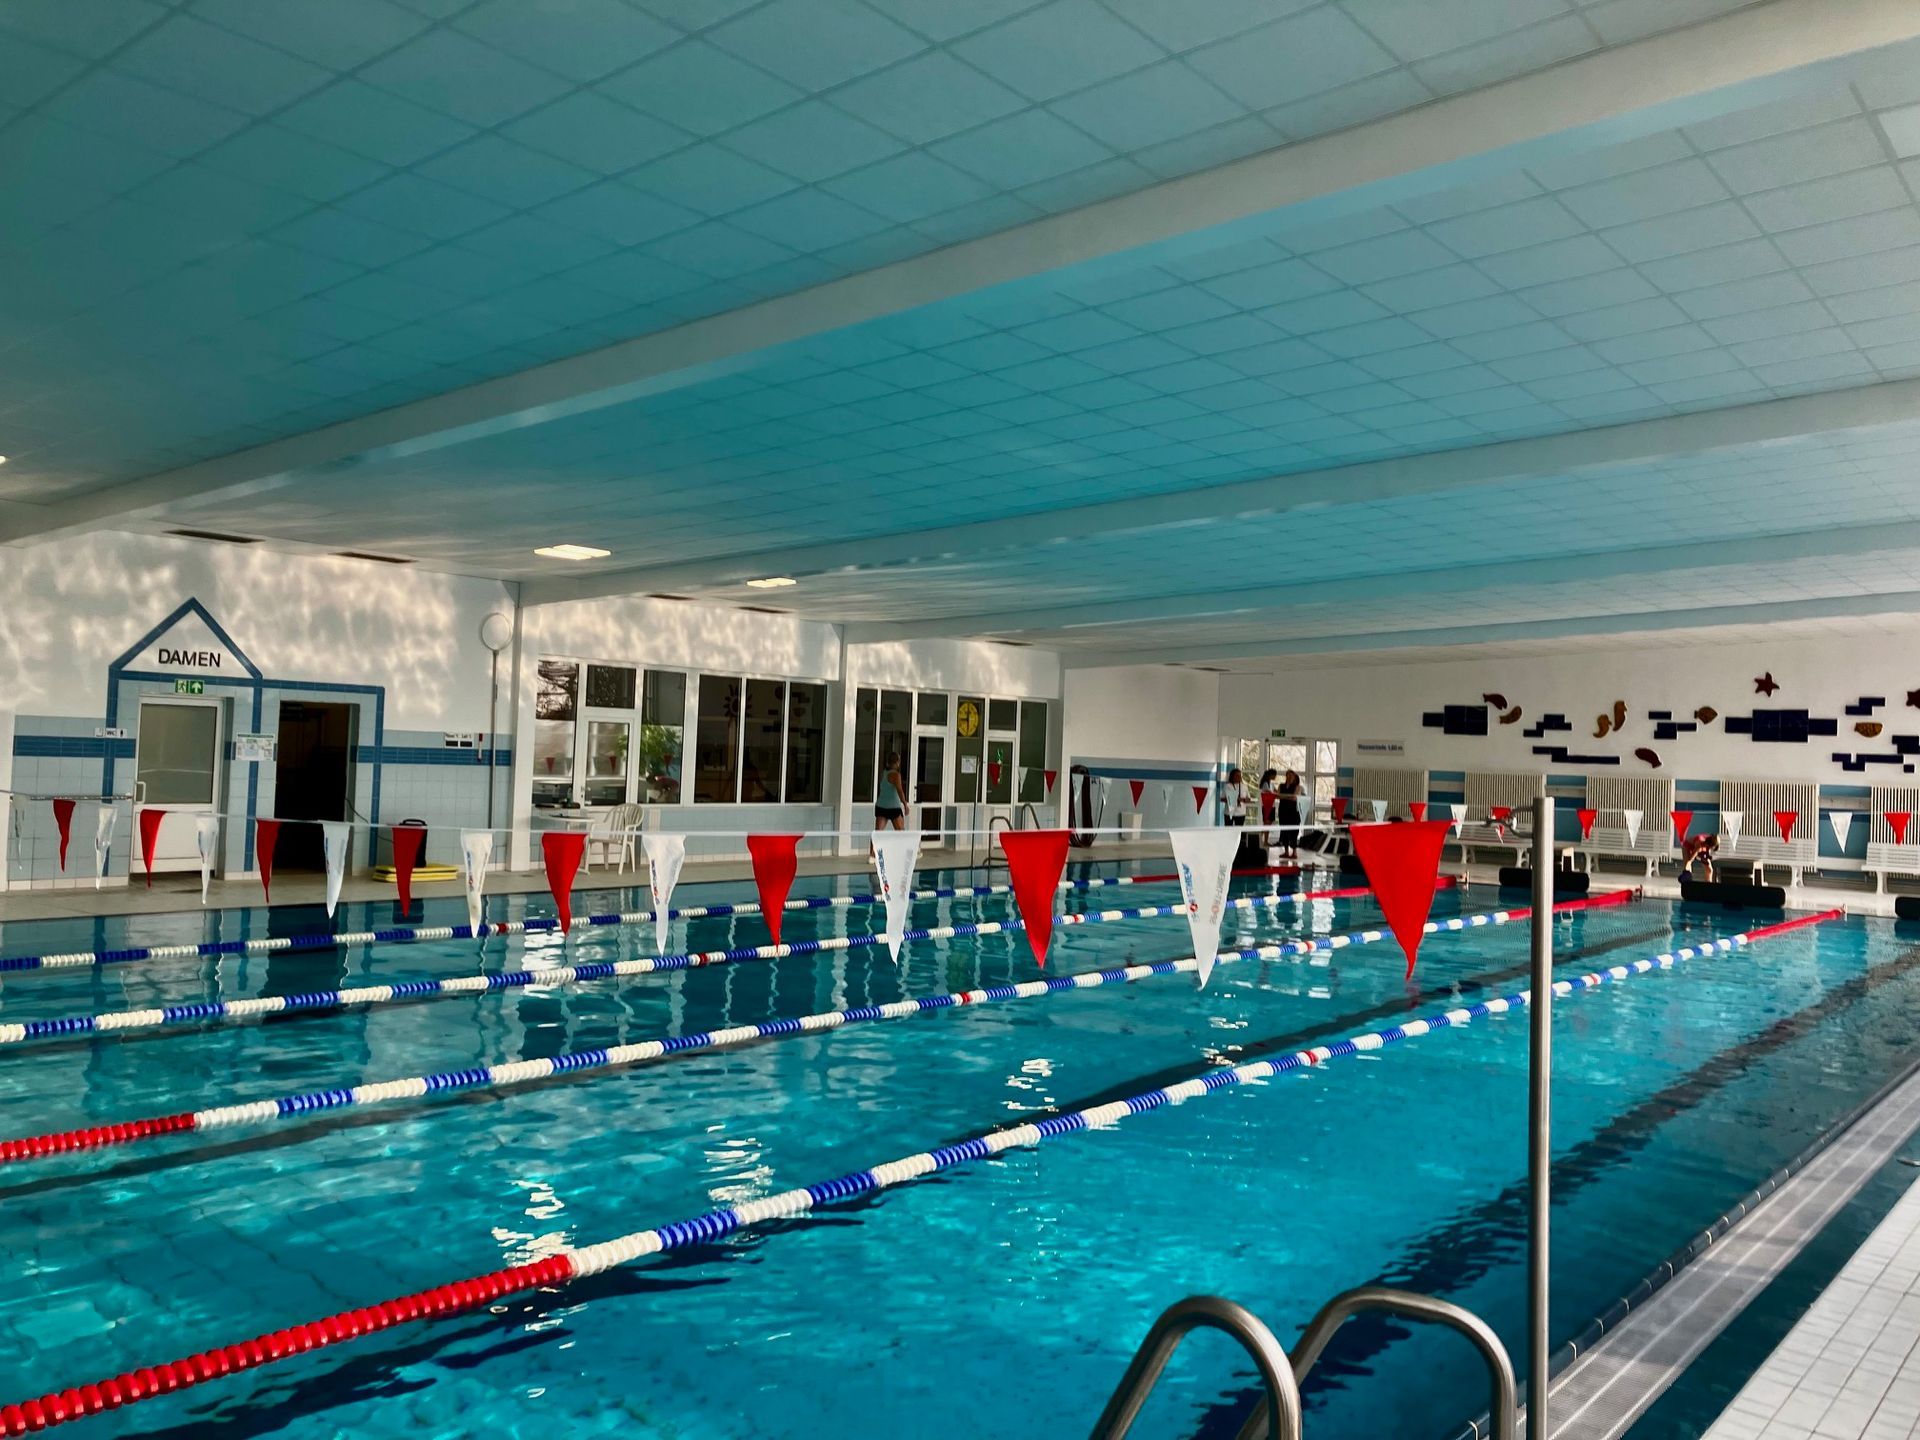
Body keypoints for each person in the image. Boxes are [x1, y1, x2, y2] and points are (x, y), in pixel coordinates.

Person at [875, 752, 907, 831]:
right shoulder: (896, 775)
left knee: (878, 833)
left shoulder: (883, 773)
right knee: (901, 833)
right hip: (893, 807)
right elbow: (900, 791)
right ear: (897, 762)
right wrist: (905, 804)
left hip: (881, 805)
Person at [1276, 769, 1304, 860]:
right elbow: (1278, 796)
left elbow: (1294, 798)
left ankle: (1294, 852)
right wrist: (1288, 796)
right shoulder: (1281, 785)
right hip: (1283, 811)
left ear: (1294, 777)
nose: (1289, 777)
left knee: (1294, 832)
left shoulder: (1298, 787)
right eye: (1288, 775)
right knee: (1284, 831)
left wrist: (1283, 796)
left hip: (1294, 812)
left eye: (1291, 776)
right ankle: (1286, 851)